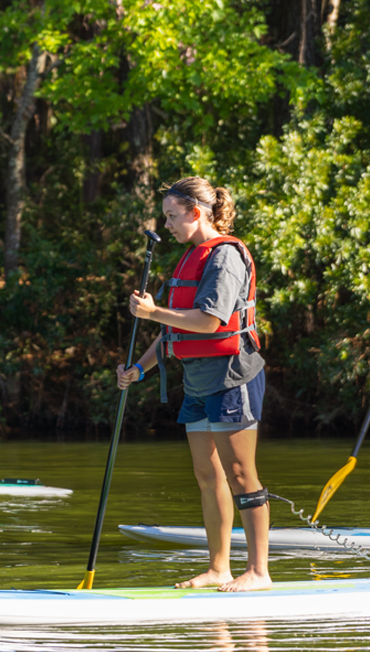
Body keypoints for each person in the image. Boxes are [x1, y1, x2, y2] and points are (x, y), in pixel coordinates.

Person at [117, 176, 270, 592]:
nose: (166, 225)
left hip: (232, 377)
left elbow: (209, 322)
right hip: (198, 381)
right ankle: (219, 568)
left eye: (171, 216)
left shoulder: (224, 257)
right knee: (207, 476)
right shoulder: (192, 257)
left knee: (241, 474)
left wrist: (152, 313)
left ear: (196, 213)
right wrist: (140, 368)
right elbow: (173, 332)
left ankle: (259, 571)